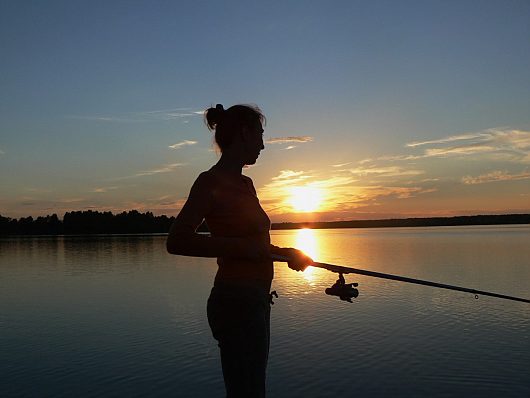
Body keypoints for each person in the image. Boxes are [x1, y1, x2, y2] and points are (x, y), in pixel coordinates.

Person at [166, 103, 313, 397]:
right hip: (234, 302)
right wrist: (241, 248)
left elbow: (255, 245)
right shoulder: (209, 182)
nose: (262, 144)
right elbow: (177, 241)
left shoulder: (246, 184)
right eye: (259, 134)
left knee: (253, 389)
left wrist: (288, 254)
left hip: (256, 299)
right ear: (244, 134)